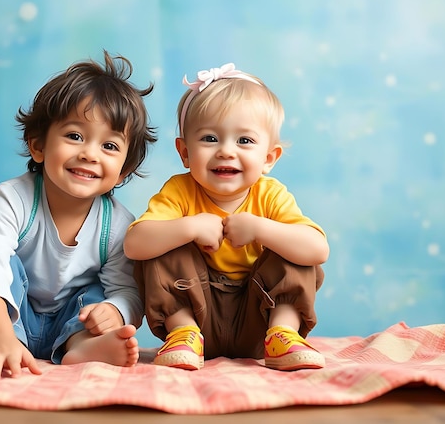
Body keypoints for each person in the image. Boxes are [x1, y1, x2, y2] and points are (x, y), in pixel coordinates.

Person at [0, 50, 157, 380]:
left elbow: (128, 291)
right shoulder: (14, 198)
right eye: (74, 136)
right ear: (38, 146)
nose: (89, 153)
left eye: (109, 146)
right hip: (9, 320)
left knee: (96, 294)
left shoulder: (118, 224)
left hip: (69, 322)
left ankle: (80, 347)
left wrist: (114, 311)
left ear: (123, 171)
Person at [124, 63, 329, 371]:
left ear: (269, 158)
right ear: (185, 152)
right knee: (162, 239)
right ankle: (182, 333)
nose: (226, 152)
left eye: (244, 141)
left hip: (259, 319)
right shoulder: (180, 191)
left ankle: (283, 334)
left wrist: (261, 229)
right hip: (198, 315)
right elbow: (134, 245)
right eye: (209, 139)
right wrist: (190, 227)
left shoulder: (271, 195)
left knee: (293, 246)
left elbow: (318, 250)